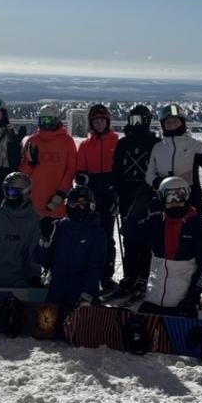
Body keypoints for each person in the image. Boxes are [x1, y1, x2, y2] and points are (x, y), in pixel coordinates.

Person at [125, 176, 202, 317]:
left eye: (179, 196)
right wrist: (137, 207)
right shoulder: (156, 221)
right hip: (153, 300)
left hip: (182, 303)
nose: (175, 202)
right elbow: (129, 232)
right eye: (169, 197)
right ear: (162, 198)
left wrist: (192, 296)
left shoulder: (199, 226)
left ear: (187, 196)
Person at [112, 104, 160, 295]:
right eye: (133, 120)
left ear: (148, 121)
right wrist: (115, 189)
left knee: (146, 236)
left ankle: (143, 275)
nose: (137, 124)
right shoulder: (123, 143)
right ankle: (130, 274)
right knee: (129, 235)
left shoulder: (155, 143)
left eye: (140, 120)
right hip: (127, 195)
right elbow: (116, 168)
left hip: (147, 195)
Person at [32, 184, 106, 305]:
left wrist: (87, 294)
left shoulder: (97, 232)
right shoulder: (58, 227)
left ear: (91, 205)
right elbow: (40, 259)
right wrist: (45, 241)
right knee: (45, 317)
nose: (78, 207)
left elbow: (96, 266)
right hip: (56, 293)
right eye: (73, 203)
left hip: (83, 296)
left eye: (82, 203)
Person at [144, 104, 202, 214]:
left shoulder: (194, 145)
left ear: (182, 122)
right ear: (163, 125)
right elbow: (149, 174)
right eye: (168, 123)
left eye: (175, 121)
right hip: (164, 201)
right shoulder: (158, 148)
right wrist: (159, 182)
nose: (172, 125)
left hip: (191, 201)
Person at [75, 104, 120, 290]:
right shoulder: (86, 145)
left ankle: (106, 275)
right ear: (91, 123)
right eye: (96, 121)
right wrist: (81, 177)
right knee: (88, 234)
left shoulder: (116, 141)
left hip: (109, 192)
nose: (99, 124)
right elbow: (80, 168)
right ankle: (87, 271)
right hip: (91, 193)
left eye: (102, 120)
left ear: (107, 122)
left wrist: (117, 190)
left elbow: (121, 167)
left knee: (106, 236)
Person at [19, 104, 78, 220]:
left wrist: (61, 193)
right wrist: (30, 164)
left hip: (57, 200)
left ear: (57, 121)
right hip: (34, 202)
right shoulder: (33, 141)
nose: (46, 124)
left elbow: (71, 170)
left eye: (50, 120)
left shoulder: (67, 141)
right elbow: (23, 173)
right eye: (43, 120)